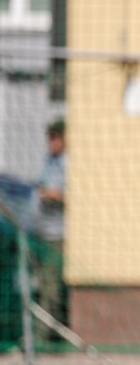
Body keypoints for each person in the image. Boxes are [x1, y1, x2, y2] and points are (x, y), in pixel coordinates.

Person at [32, 118, 67, 342]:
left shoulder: (67, 163)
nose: (51, 143)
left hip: (58, 234)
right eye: (49, 138)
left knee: (51, 289)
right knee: (42, 285)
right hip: (43, 232)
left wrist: (51, 194)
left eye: (55, 138)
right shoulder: (48, 161)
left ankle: (42, 339)